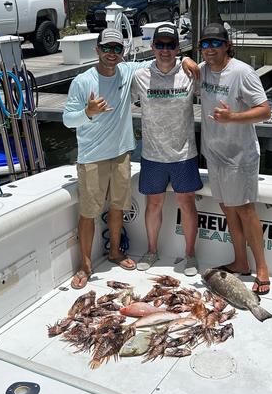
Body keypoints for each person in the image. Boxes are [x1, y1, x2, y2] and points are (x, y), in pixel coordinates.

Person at [63, 27, 198, 289]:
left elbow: (162, 57)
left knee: (117, 208)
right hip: (91, 156)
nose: (112, 54)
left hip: (122, 153)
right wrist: (88, 112)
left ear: (122, 52)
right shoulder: (82, 81)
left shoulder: (128, 72)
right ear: (98, 50)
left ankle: (115, 252)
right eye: (107, 48)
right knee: (88, 213)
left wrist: (185, 59)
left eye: (117, 49)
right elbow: (67, 119)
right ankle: (85, 265)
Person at [198, 22, 272, 295]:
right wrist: (183, 60)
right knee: (228, 210)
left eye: (216, 43)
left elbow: (265, 111)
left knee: (245, 210)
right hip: (214, 155)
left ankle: (262, 268)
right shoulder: (203, 70)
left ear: (227, 45)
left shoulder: (242, 72)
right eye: (205, 44)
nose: (210, 49)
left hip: (240, 157)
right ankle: (240, 261)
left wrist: (233, 117)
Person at [131, 23, 202, 276]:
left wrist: (191, 60)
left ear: (177, 48)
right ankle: (151, 251)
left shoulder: (190, 74)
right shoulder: (139, 76)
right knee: (153, 204)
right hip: (151, 154)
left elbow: (216, 75)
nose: (164, 50)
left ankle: (191, 254)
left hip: (184, 154)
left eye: (170, 45)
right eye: (159, 45)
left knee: (187, 204)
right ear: (152, 47)